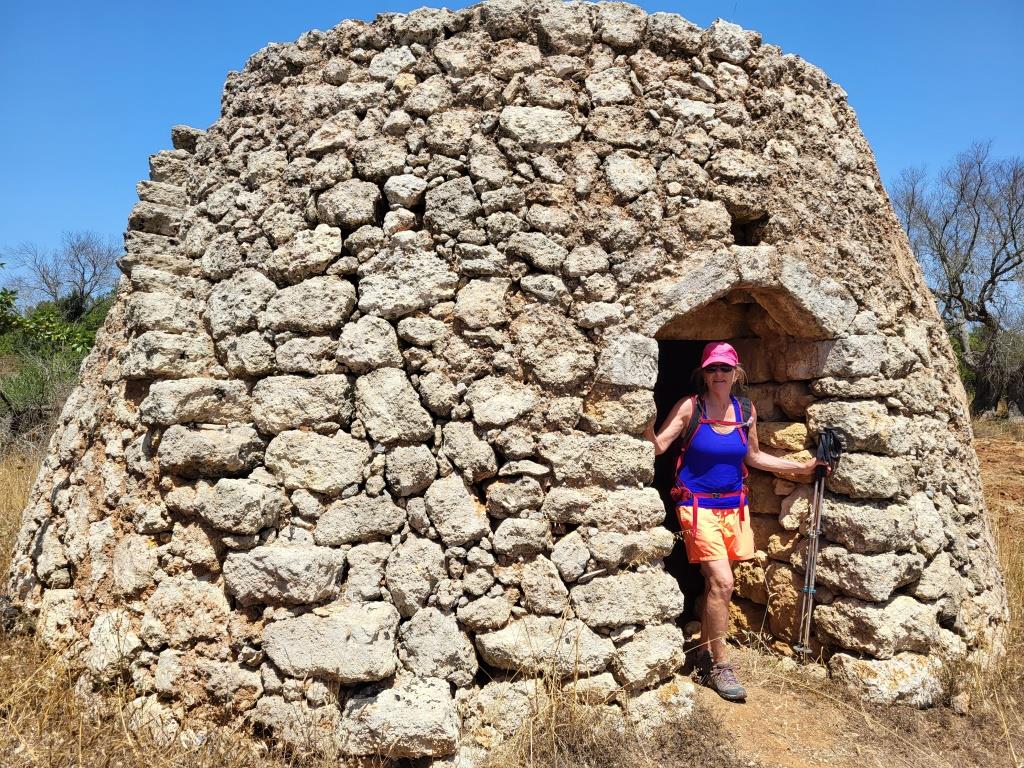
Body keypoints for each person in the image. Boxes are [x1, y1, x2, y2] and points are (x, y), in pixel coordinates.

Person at [644, 341, 822, 702]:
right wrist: (644, 420)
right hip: (696, 506)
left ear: (736, 372)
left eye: (725, 368)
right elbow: (660, 446)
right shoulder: (690, 407)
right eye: (712, 368)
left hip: (734, 507)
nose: (719, 374)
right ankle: (720, 665)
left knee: (717, 585)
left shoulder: (745, 410)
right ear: (703, 373)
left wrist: (801, 469)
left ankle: (703, 651)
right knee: (723, 582)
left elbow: (753, 456)